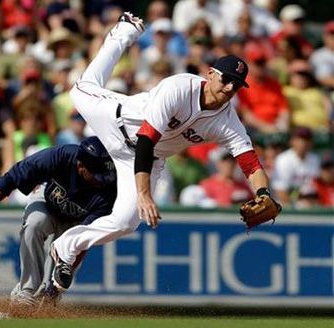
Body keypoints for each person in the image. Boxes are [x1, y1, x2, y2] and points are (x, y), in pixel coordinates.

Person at [48, 12, 280, 292]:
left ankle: (65, 247)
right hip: (116, 121)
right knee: (80, 89)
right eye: (226, 79)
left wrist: (263, 194)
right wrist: (144, 193)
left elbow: (251, 164)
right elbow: (147, 138)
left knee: (126, 222)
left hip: (141, 157)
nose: (230, 87)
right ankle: (125, 29)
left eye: (237, 84)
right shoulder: (179, 87)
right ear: (210, 74)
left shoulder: (228, 122)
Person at [0, 137, 117, 307]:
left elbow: (83, 239)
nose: (102, 180)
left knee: (50, 292)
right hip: (47, 201)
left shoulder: (109, 190)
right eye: (96, 174)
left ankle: (47, 296)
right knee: (34, 224)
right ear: (80, 165)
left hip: (76, 222)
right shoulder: (60, 156)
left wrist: (58, 283)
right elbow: (11, 178)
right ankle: (26, 292)